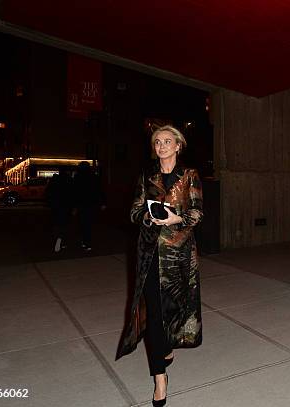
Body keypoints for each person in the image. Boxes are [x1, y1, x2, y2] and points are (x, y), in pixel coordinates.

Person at [115, 125, 203, 407]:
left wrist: (176, 219)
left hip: (179, 255)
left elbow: (197, 211)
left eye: (167, 141)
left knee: (173, 309)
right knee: (153, 313)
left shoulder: (190, 175)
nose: (162, 146)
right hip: (151, 252)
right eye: (157, 142)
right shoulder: (147, 175)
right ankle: (160, 380)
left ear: (178, 146)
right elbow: (134, 210)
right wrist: (149, 218)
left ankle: (166, 347)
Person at [72, 161, 105, 251]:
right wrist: (102, 203)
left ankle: (86, 241)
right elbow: (99, 191)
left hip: (82, 204)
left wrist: (75, 206)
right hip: (92, 203)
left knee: (83, 223)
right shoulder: (94, 177)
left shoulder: (77, 177)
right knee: (89, 223)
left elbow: (75, 193)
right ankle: (87, 242)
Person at [46, 167, 73, 252]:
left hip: (55, 205)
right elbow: (73, 194)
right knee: (64, 224)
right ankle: (62, 240)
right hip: (66, 205)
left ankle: (57, 238)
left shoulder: (54, 180)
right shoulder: (69, 181)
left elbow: (48, 193)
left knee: (56, 223)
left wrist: (50, 203)